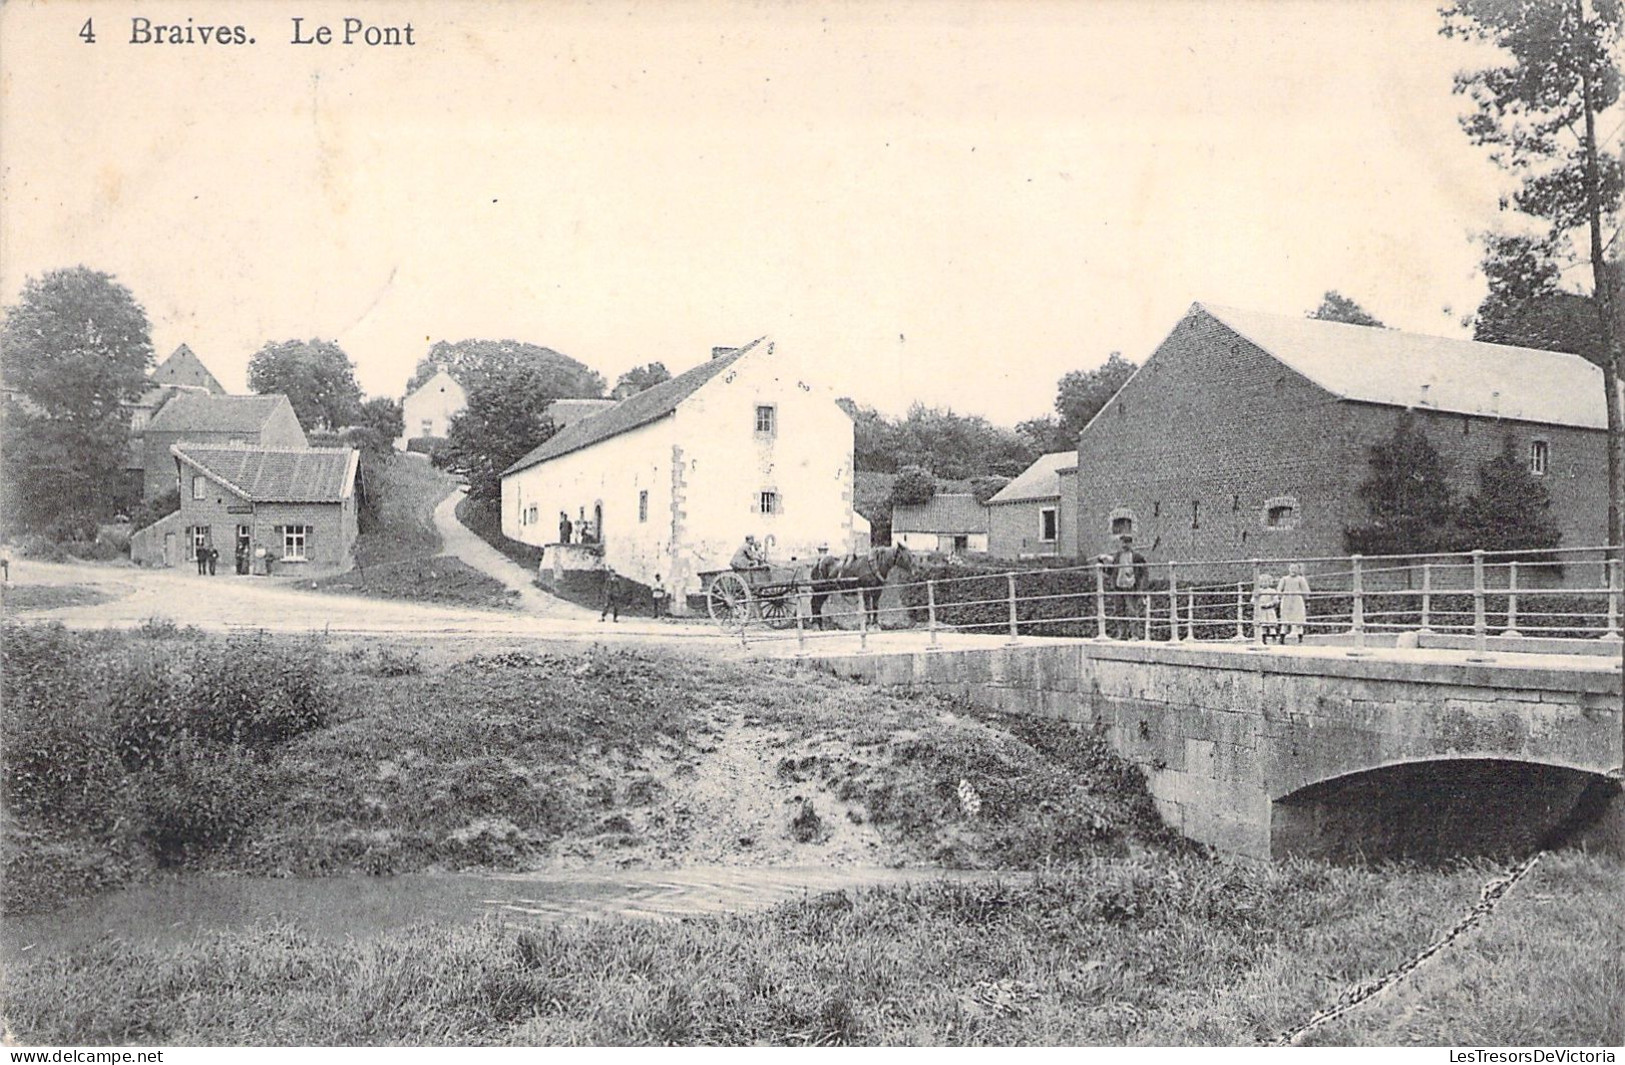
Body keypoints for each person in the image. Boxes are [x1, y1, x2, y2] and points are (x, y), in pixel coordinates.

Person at [1096, 534, 1148, 639]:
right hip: (1119, 586)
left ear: (1131, 543)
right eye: (1123, 542)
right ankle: (1122, 634)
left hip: (1131, 587)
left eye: (1127, 542)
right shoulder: (1117, 556)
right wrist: (1102, 561)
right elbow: (1111, 571)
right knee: (1119, 610)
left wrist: (1141, 588)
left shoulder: (1136, 556)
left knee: (1132, 611)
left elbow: (1144, 572)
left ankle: (1134, 635)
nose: (1124, 545)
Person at [1279, 563, 1311, 644]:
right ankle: (1282, 637)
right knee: (1285, 618)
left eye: (1295, 568)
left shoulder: (1300, 579)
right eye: (1291, 568)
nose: (1293, 570)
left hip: (1297, 600)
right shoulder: (1284, 579)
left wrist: (1307, 599)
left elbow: (1306, 590)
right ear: (1288, 569)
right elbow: (1279, 589)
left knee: (1298, 618)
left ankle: (1300, 637)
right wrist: (1279, 596)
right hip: (1287, 599)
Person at [1255, 573, 1282, 644]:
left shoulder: (1272, 591)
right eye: (1262, 582)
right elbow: (1253, 600)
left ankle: (1274, 638)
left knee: (1271, 624)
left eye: (1266, 582)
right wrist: (1259, 604)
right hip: (1262, 610)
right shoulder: (1258, 591)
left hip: (1269, 610)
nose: (1264, 583)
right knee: (1263, 625)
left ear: (1269, 582)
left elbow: (1276, 600)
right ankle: (1264, 640)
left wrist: (1269, 604)